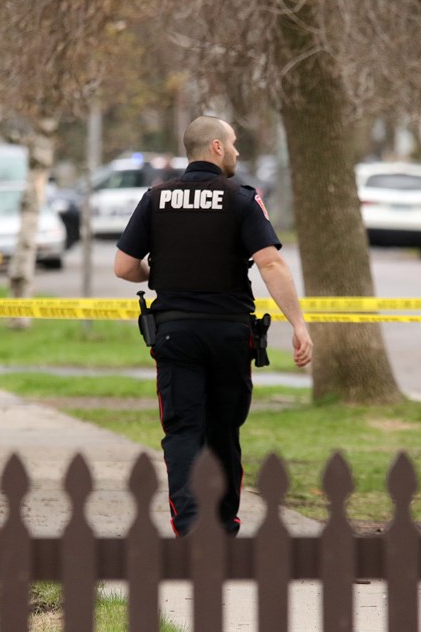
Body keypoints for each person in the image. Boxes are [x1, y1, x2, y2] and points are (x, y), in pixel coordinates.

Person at [114, 115, 313, 537]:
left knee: (184, 431)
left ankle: (189, 529)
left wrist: (162, 273)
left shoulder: (156, 198)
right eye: (235, 143)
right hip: (228, 334)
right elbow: (271, 262)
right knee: (223, 430)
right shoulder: (241, 198)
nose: (238, 151)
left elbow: (124, 266)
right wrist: (298, 324)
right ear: (217, 148)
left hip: (174, 333)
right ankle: (223, 526)